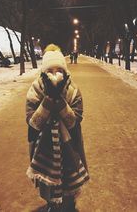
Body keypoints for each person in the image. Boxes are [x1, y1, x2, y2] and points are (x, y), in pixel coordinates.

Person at [26, 44, 89, 212]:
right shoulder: (35, 91)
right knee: (48, 188)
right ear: (43, 72)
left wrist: (59, 101)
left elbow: (74, 122)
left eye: (58, 69)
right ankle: (51, 205)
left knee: (69, 191)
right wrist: (48, 99)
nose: (55, 74)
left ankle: (69, 206)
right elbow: (32, 125)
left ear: (65, 71)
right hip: (43, 150)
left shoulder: (73, 91)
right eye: (50, 70)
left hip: (70, 148)